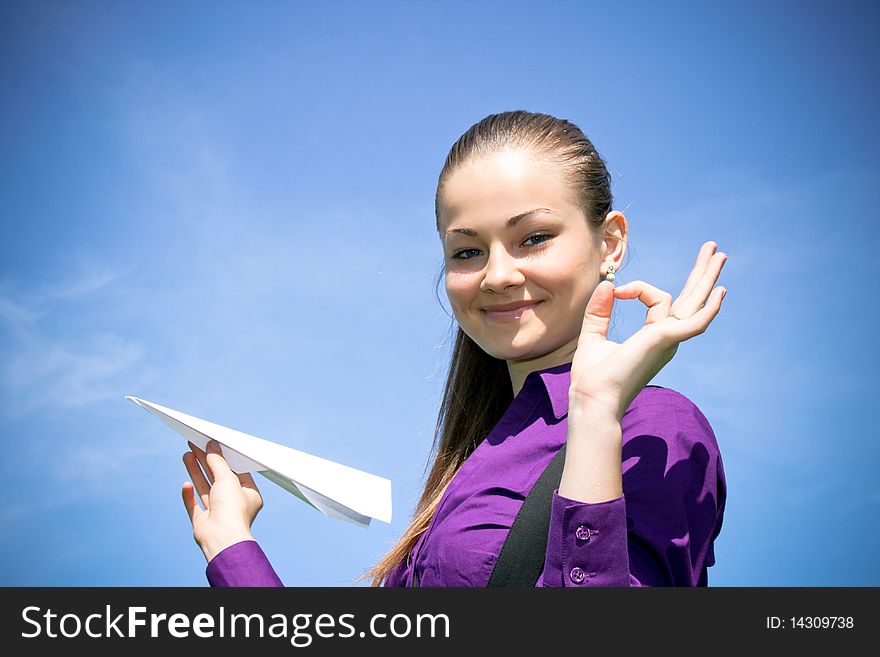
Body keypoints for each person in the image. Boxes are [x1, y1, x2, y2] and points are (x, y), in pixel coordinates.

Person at [180, 110, 728, 587]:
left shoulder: (657, 427)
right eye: (466, 251)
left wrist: (596, 411)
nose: (497, 274)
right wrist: (232, 547)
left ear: (610, 242)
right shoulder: (470, 463)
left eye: (533, 238)